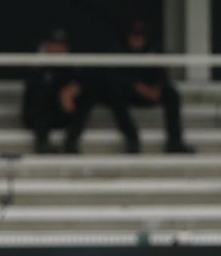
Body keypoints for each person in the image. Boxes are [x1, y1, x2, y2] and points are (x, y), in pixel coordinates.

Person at [68, 18, 194, 154]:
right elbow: (109, 76)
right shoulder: (117, 50)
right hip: (123, 94)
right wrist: (136, 86)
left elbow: (161, 73)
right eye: (134, 36)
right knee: (111, 93)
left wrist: (157, 87)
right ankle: (132, 139)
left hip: (147, 93)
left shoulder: (153, 50)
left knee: (172, 93)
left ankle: (174, 143)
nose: (137, 39)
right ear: (127, 36)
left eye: (140, 36)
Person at [20, 28, 81, 154]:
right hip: (37, 116)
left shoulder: (71, 66)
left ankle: (71, 143)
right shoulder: (36, 65)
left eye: (61, 45)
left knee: (86, 98)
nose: (58, 49)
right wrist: (61, 94)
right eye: (54, 45)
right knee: (41, 99)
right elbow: (35, 93)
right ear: (46, 45)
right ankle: (42, 143)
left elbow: (82, 83)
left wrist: (71, 91)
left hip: (61, 112)